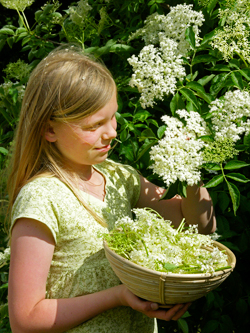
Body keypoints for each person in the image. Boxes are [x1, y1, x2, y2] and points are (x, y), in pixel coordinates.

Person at [7, 45, 216, 333]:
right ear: (50, 130)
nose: (112, 133)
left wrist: (189, 170)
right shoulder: (41, 198)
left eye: (112, 117)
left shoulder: (120, 178)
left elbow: (197, 225)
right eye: (94, 125)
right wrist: (117, 297)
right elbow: (25, 320)